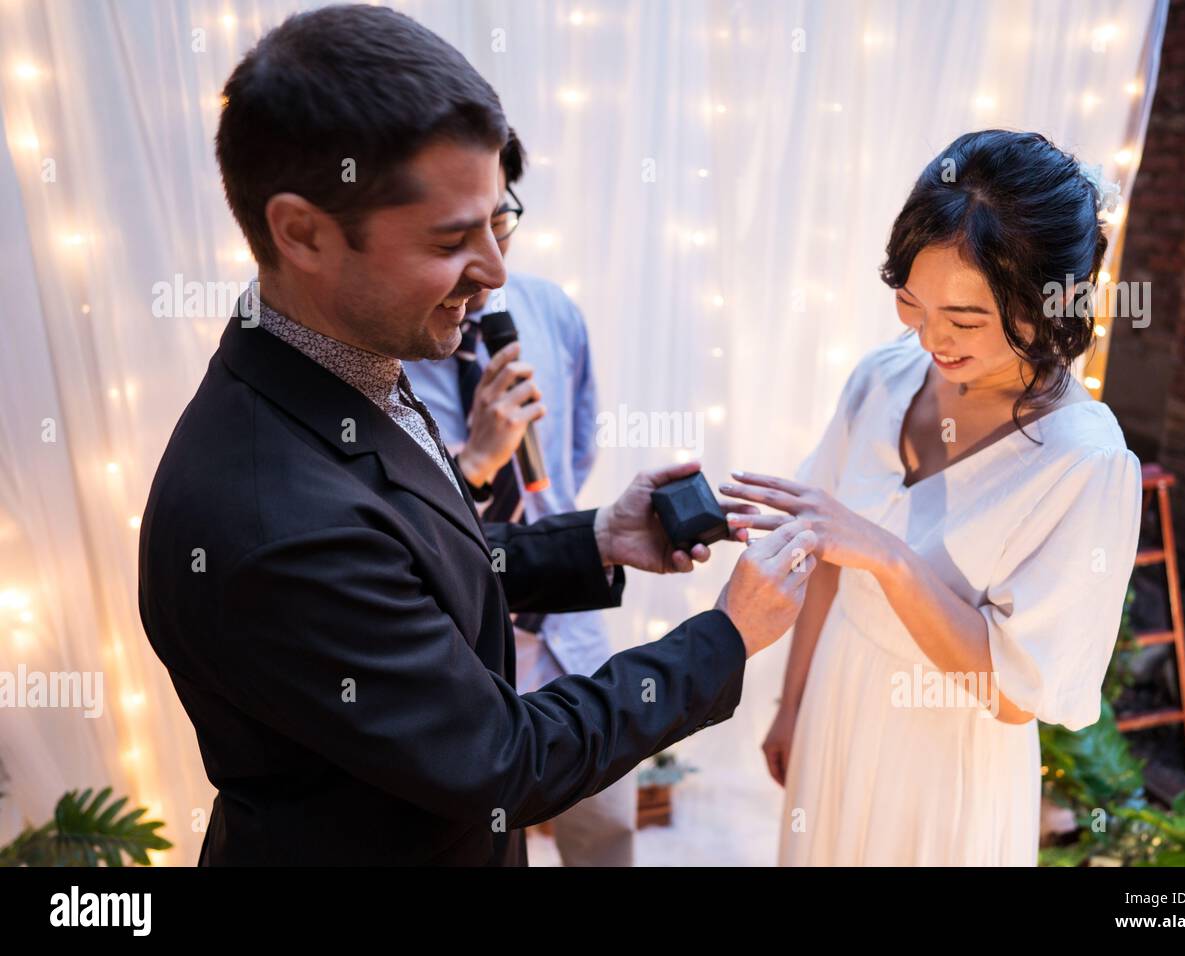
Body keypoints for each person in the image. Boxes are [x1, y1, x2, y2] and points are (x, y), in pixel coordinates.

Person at [137, 4, 817, 866]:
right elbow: (503, 759)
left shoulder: (346, 364)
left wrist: (594, 539)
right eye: (455, 240)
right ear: (301, 232)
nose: (496, 276)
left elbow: (413, 562)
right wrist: (724, 637)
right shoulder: (277, 523)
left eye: (500, 223)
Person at [723, 130, 1143, 866]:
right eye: (912, 304)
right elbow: (827, 556)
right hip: (835, 697)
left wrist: (886, 555)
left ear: (1056, 303)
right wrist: (792, 706)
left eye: (967, 320)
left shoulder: (1085, 463)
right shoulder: (884, 377)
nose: (931, 339)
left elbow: (1014, 695)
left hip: (947, 758)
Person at [404, 130, 638, 866]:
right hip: (457, 636)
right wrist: (474, 460)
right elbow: (396, 525)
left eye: (502, 219)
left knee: (607, 825)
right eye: (465, 229)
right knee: (478, 834)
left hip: (569, 616)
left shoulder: (551, 312)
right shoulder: (387, 341)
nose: (493, 260)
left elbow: (573, 456)